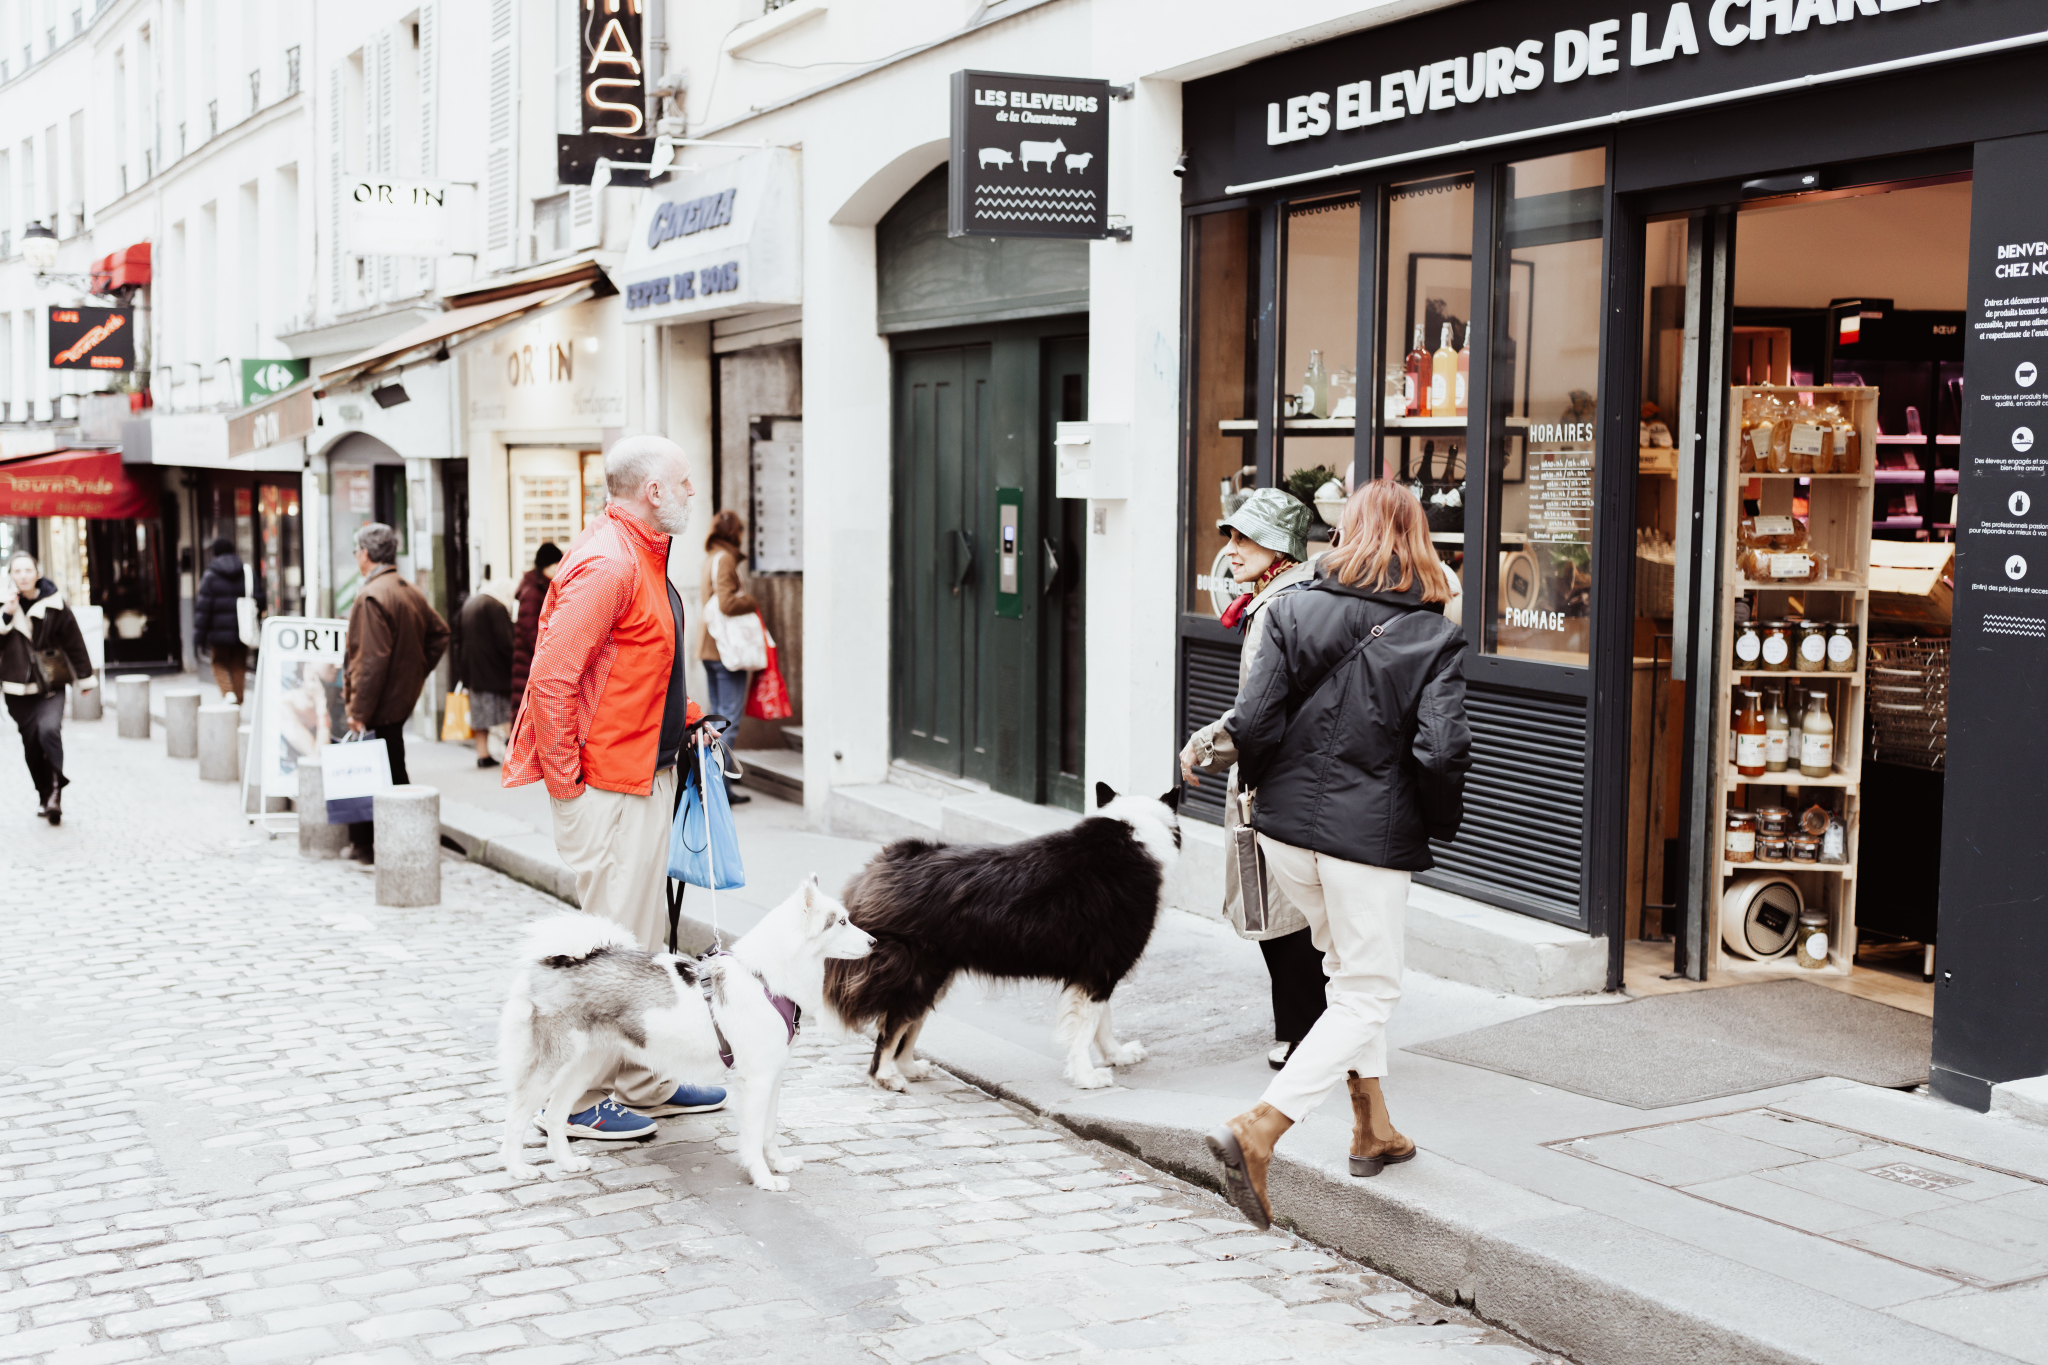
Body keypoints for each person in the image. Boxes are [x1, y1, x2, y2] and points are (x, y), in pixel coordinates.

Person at [1205, 481, 1471, 1231]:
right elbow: (1443, 749)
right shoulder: (1432, 634)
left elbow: (1253, 719)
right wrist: (1432, 823)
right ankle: (1261, 1126)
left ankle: (1372, 1126)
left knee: (1344, 972)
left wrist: (1266, 789)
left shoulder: (1289, 606)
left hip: (1288, 832)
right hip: (1367, 838)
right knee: (1369, 992)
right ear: (1418, 539)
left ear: (1342, 532)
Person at [503, 434, 726, 1139]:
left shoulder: (641, 554)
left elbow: (639, 671)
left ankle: (641, 1078)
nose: (693, 492)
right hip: (610, 784)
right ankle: (574, 1099)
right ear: (653, 491)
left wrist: (688, 722)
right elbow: (552, 678)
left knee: (644, 939)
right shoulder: (608, 561)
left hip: (644, 773)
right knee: (611, 951)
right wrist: (569, 784)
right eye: (685, 481)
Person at [1178, 488, 1330, 1071]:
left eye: (1247, 538)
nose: (1233, 549)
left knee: (1276, 911)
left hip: (1270, 780)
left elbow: (1260, 711)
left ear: (1281, 548)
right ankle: (1304, 1029)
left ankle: (1301, 1033)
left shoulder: (1273, 609)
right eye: (1234, 536)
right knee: (1285, 908)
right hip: (1295, 775)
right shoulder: (1292, 597)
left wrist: (1204, 747)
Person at [341, 523, 449, 862]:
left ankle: (371, 847)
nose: (357, 556)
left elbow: (370, 662)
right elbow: (439, 634)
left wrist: (358, 711)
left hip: (379, 703)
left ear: (366, 555)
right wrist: (412, 674)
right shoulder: (407, 590)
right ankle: (402, 842)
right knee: (392, 769)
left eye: (357, 551)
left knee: (374, 776)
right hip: (395, 700)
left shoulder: (374, 595)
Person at [0, 553, 95, 825]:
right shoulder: (4, 604)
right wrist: (6, 615)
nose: (23, 575)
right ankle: (43, 793)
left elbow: (74, 640)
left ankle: (55, 795)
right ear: (11, 574)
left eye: (28, 569)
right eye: (17, 570)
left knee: (49, 730)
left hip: (51, 683)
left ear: (37, 572)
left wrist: (85, 678)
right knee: (31, 744)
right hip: (16, 689)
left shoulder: (54, 603)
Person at [698, 509, 760, 803]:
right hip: (726, 651)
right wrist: (751, 599)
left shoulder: (711, 557)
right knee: (728, 721)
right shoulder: (725, 559)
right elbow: (726, 603)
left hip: (711, 648)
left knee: (717, 720)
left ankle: (714, 784)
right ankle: (718, 789)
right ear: (737, 533)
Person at [191, 537, 263, 702]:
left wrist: (199, 638)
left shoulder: (210, 576)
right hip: (243, 629)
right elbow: (260, 599)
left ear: (215, 553)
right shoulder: (246, 572)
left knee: (218, 663)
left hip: (218, 632)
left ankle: (228, 693)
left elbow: (203, 610)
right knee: (239, 665)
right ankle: (237, 701)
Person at [455, 581, 514, 769]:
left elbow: (459, 640)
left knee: (479, 716)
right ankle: (512, 755)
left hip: (473, 672)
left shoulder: (471, 603)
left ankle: (483, 754)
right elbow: (506, 642)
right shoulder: (496, 606)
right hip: (495, 672)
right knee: (507, 713)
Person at [509, 542, 562, 712]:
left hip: (531, 661)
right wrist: (548, 656)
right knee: (526, 711)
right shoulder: (533, 591)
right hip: (529, 662)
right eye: (555, 565)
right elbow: (530, 632)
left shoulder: (540, 586)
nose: (558, 569)